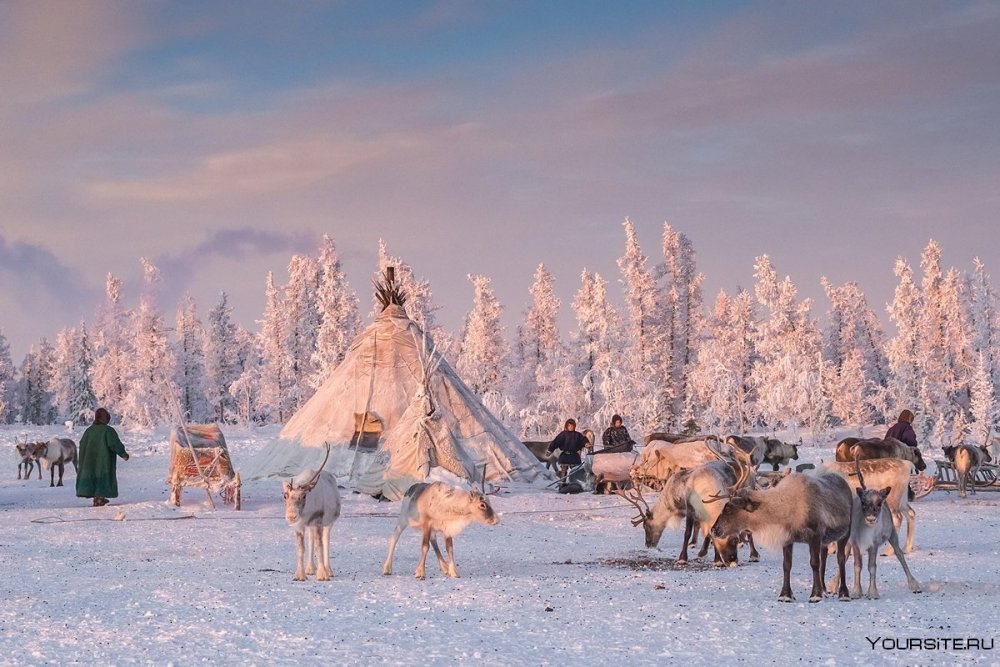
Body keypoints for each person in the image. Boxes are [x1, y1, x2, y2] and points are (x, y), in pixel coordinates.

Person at [76, 407, 130, 507]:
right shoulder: (108, 431)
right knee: (103, 476)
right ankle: (100, 498)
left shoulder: (89, 431)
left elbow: (82, 444)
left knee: (93, 477)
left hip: (89, 462)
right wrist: (123, 454)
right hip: (103, 461)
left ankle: (97, 498)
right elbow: (115, 444)